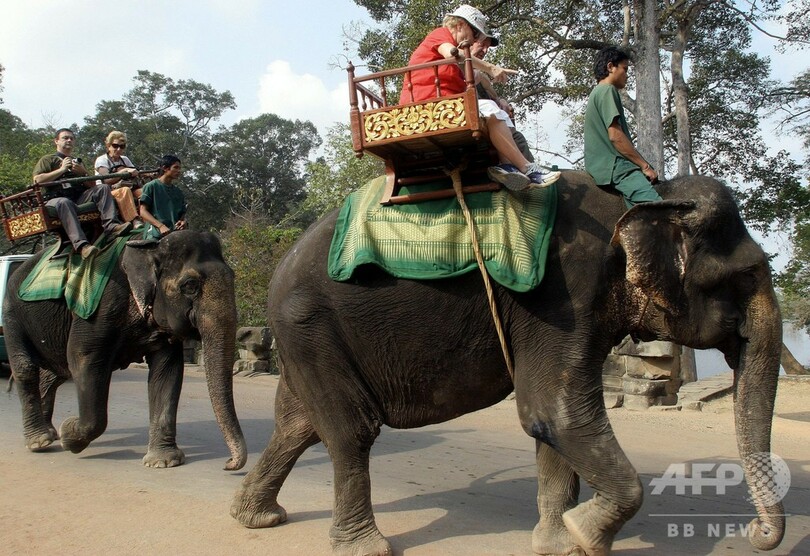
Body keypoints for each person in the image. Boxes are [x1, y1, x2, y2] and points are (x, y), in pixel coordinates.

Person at [399, 4, 560, 190]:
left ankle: (506, 165)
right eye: (475, 34)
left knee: (497, 110)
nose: (475, 40)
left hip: (442, 105)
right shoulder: (441, 34)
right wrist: (490, 68)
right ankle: (527, 167)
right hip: (428, 106)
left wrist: (494, 91)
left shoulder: (455, 68)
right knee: (488, 108)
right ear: (459, 25)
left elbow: (475, 76)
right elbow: (453, 53)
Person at [33, 128, 131, 259]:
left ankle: (111, 226)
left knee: (102, 188)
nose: (69, 140)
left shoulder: (77, 161)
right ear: (56, 141)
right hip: (55, 199)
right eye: (65, 138)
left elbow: (92, 185)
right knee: (64, 202)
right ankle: (82, 246)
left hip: (78, 197)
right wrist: (62, 169)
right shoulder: (48, 160)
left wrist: (83, 172)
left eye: (71, 138)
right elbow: (37, 180)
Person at [584, 46, 662, 208]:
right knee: (660, 211)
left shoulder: (597, 92)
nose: (627, 76)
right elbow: (615, 136)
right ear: (610, 67)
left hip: (607, 165)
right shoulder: (607, 91)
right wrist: (645, 166)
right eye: (625, 69)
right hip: (616, 166)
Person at [470, 36, 534, 163]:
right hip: (459, 114)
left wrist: (500, 100)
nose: (485, 50)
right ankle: (516, 169)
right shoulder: (456, 61)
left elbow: (489, 91)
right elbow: (474, 76)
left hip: (486, 121)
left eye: (487, 47)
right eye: (482, 44)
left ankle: (527, 173)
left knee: (517, 137)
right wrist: (485, 73)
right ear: (470, 41)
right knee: (493, 111)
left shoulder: (479, 74)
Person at [94, 130, 141, 225]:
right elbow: (107, 179)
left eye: (122, 146)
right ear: (108, 146)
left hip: (127, 187)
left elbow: (134, 172)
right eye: (115, 146)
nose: (119, 149)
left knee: (146, 191)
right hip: (107, 192)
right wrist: (124, 171)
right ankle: (134, 220)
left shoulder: (124, 159)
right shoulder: (102, 160)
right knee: (125, 190)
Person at [139, 155, 187, 240]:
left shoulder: (178, 192)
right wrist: (160, 226)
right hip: (155, 232)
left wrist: (183, 222)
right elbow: (143, 211)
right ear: (165, 168)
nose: (179, 171)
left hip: (176, 234)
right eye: (176, 167)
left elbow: (182, 215)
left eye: (179, 168)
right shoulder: (151, 186)